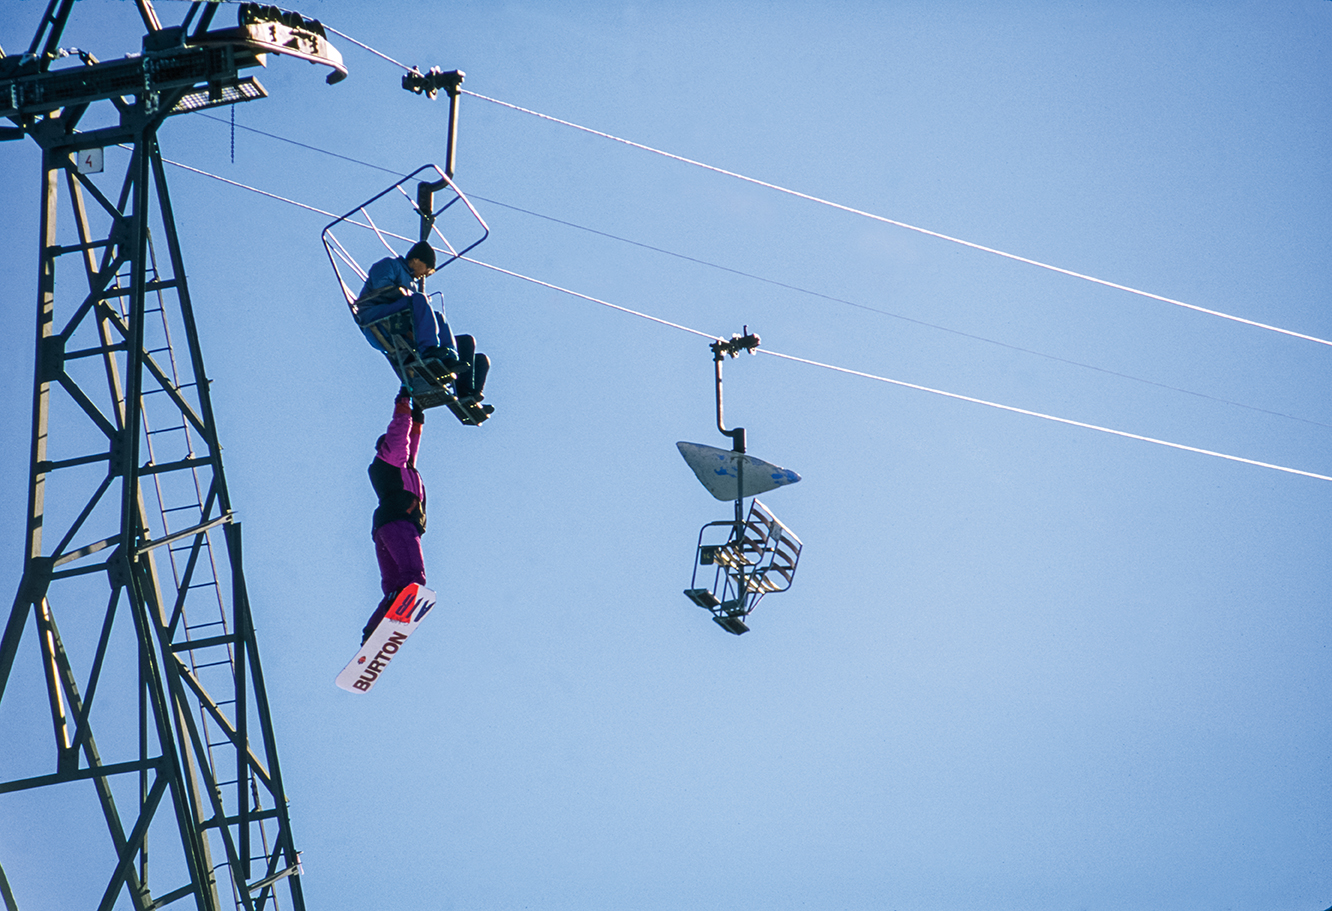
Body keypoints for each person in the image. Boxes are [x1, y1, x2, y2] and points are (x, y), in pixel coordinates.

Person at [356, 241, 490, 401]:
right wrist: (412, 299)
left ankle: (450, 359)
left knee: (440, 318)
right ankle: (428, 349)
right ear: (416, 260)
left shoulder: (413, 283)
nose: (424, 275)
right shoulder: (389, 265)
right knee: (419, 299)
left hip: (398, 319)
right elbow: (382, 288)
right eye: (426, 270)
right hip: (375, 315)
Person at [362, 387, 429, 643]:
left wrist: (419, 413)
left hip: (385, 528)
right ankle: (380, 625)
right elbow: (401, 432)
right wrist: (403, 402)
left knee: (394, 588)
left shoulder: (403, 467)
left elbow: (412, 439)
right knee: (413, 578)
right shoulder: (389, 458)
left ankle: (372, 633)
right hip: (399, 523)